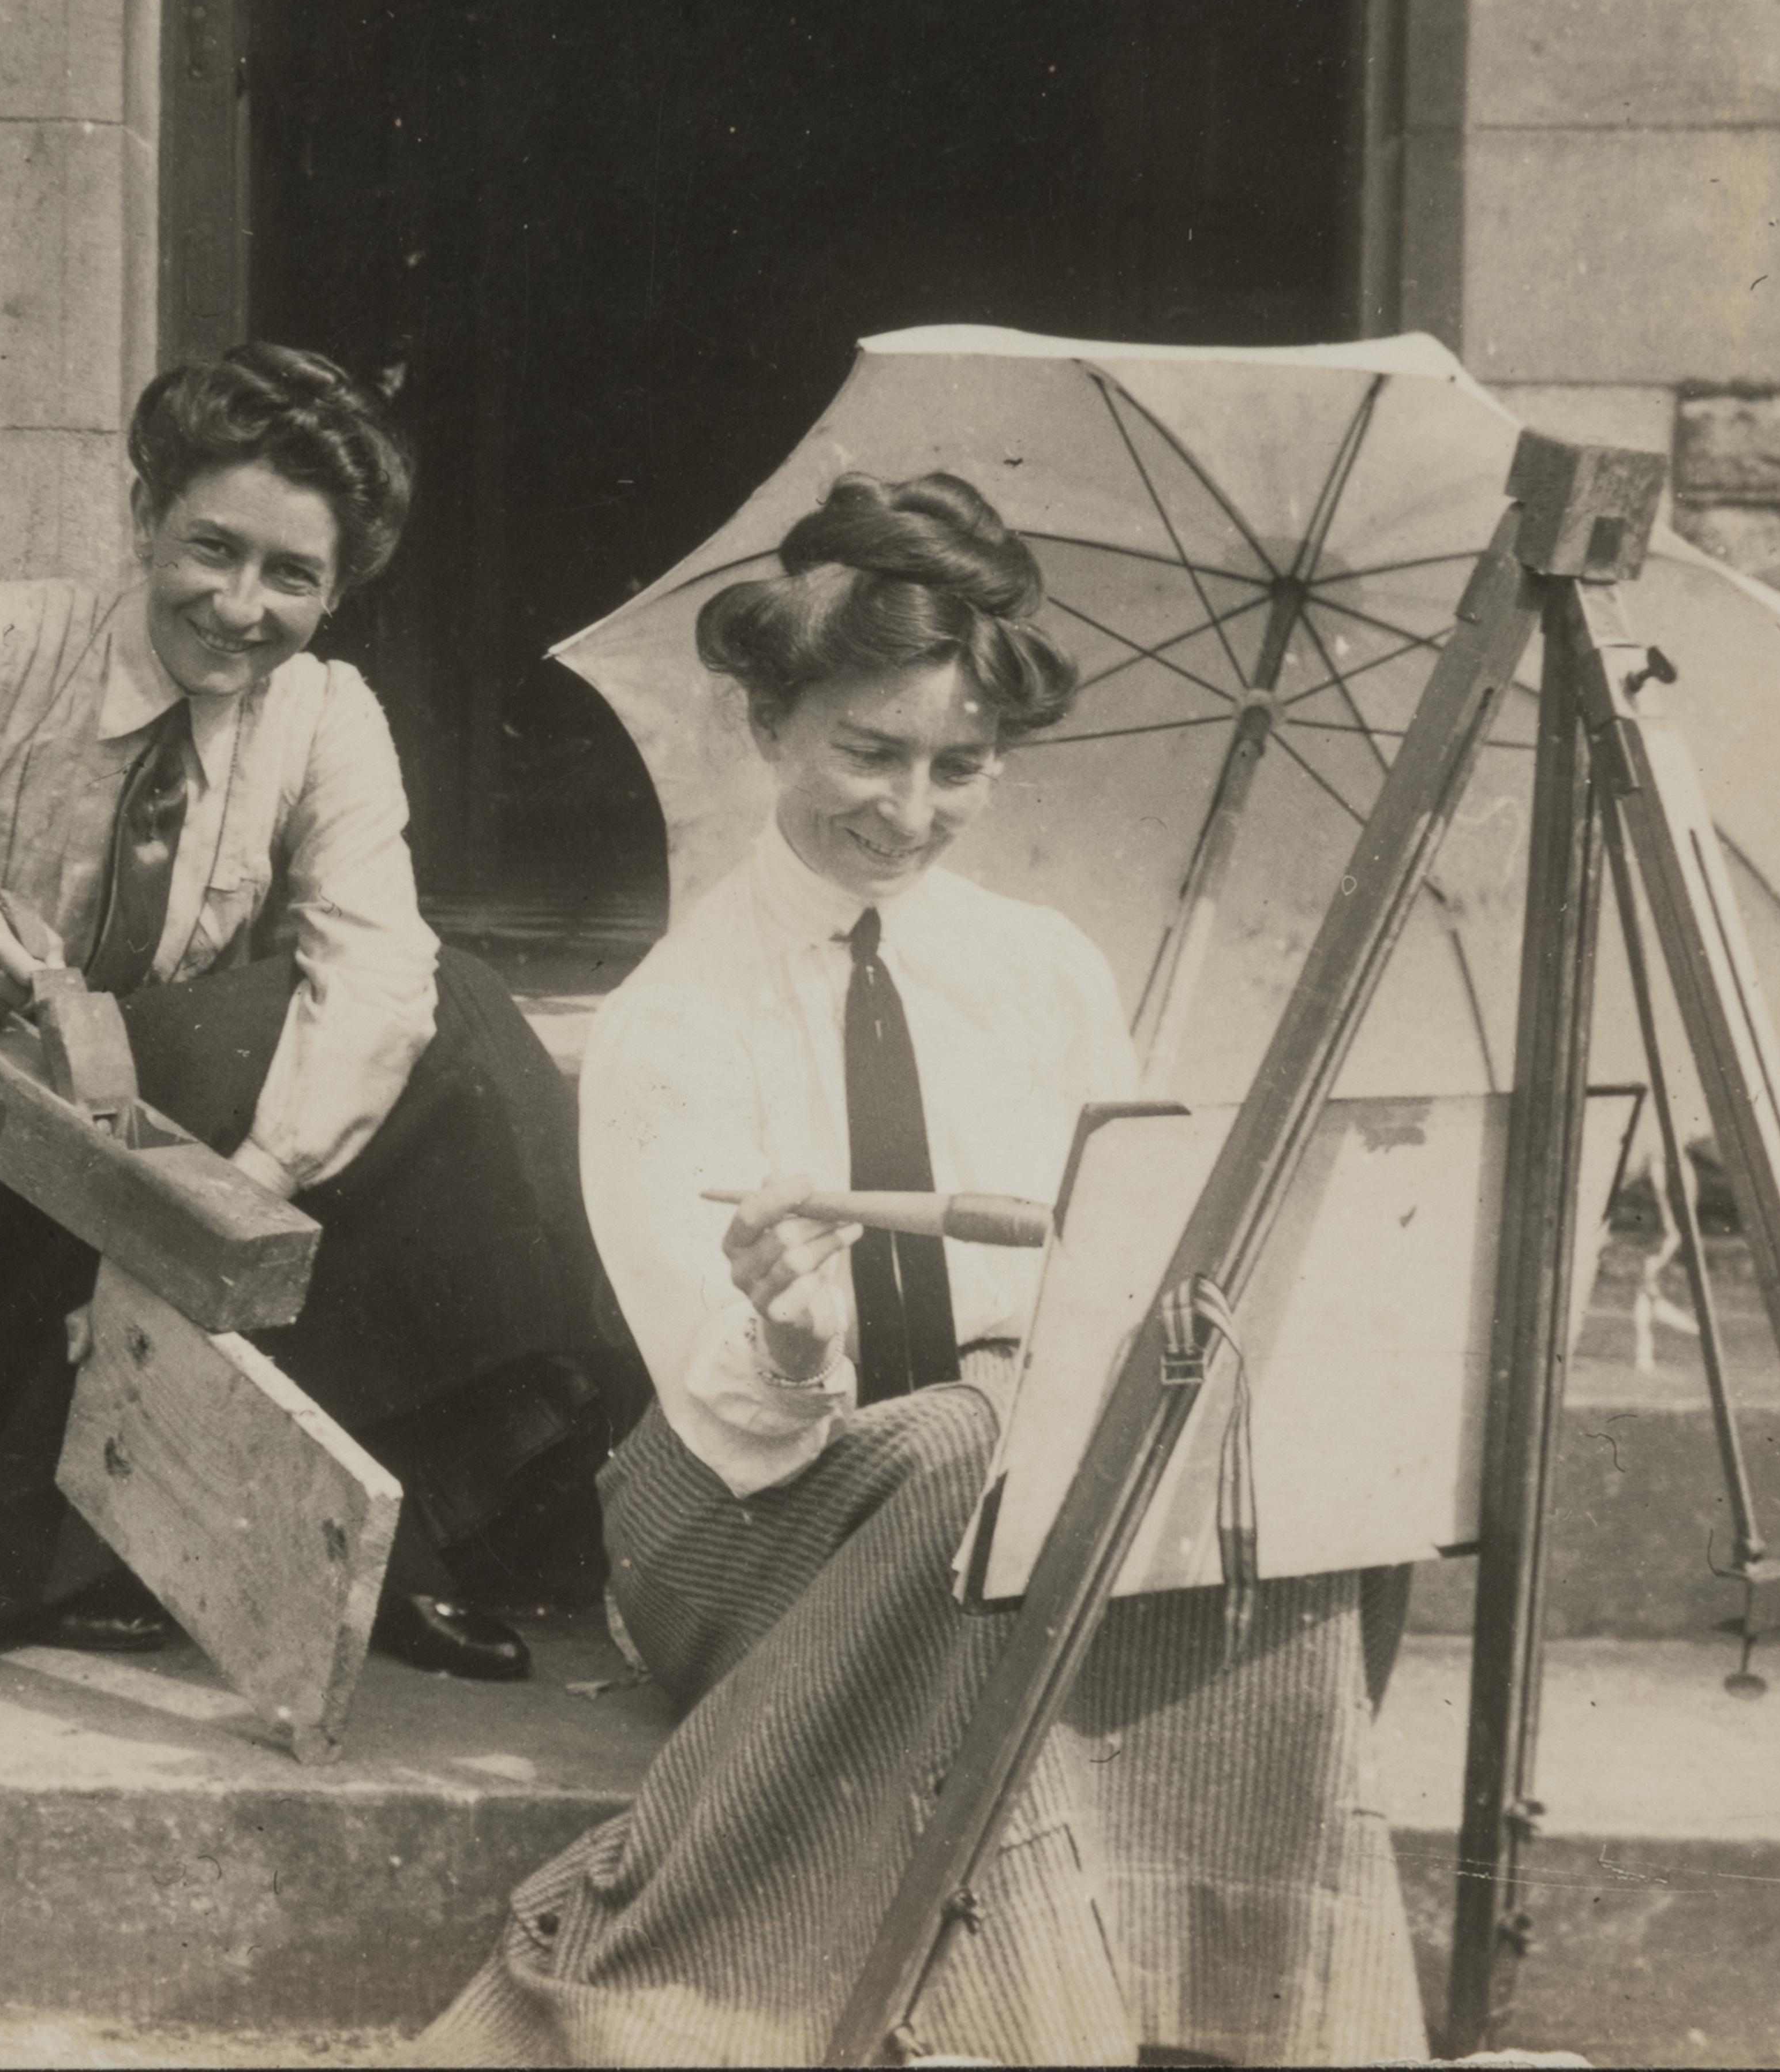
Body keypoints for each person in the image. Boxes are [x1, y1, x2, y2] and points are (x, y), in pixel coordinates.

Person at [424, 469, 1428, 2064]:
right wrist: (790, 1325)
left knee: (1261, 1482)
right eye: (867, 752)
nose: (906, 807)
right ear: (768, 727)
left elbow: (1114, 1281)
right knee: (975, 1452)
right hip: (740, 1508)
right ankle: (1003, 2008)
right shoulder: (673, 1013)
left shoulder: (1044, 972)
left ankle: (1264, 1997)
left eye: (960, 765)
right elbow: (738, 1417)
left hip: (996, 1478)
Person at [0, 342, 638, 1679]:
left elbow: (376, 980)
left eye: (292, 576)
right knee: (204, 1063)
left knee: (445, 1018)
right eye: (212, 549)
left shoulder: (324, 717)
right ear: (144, 520)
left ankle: (416, 1510)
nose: (241, 606)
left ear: (338, 589)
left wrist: (234, 1207)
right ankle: (49, 1545)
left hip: (144, 1151)